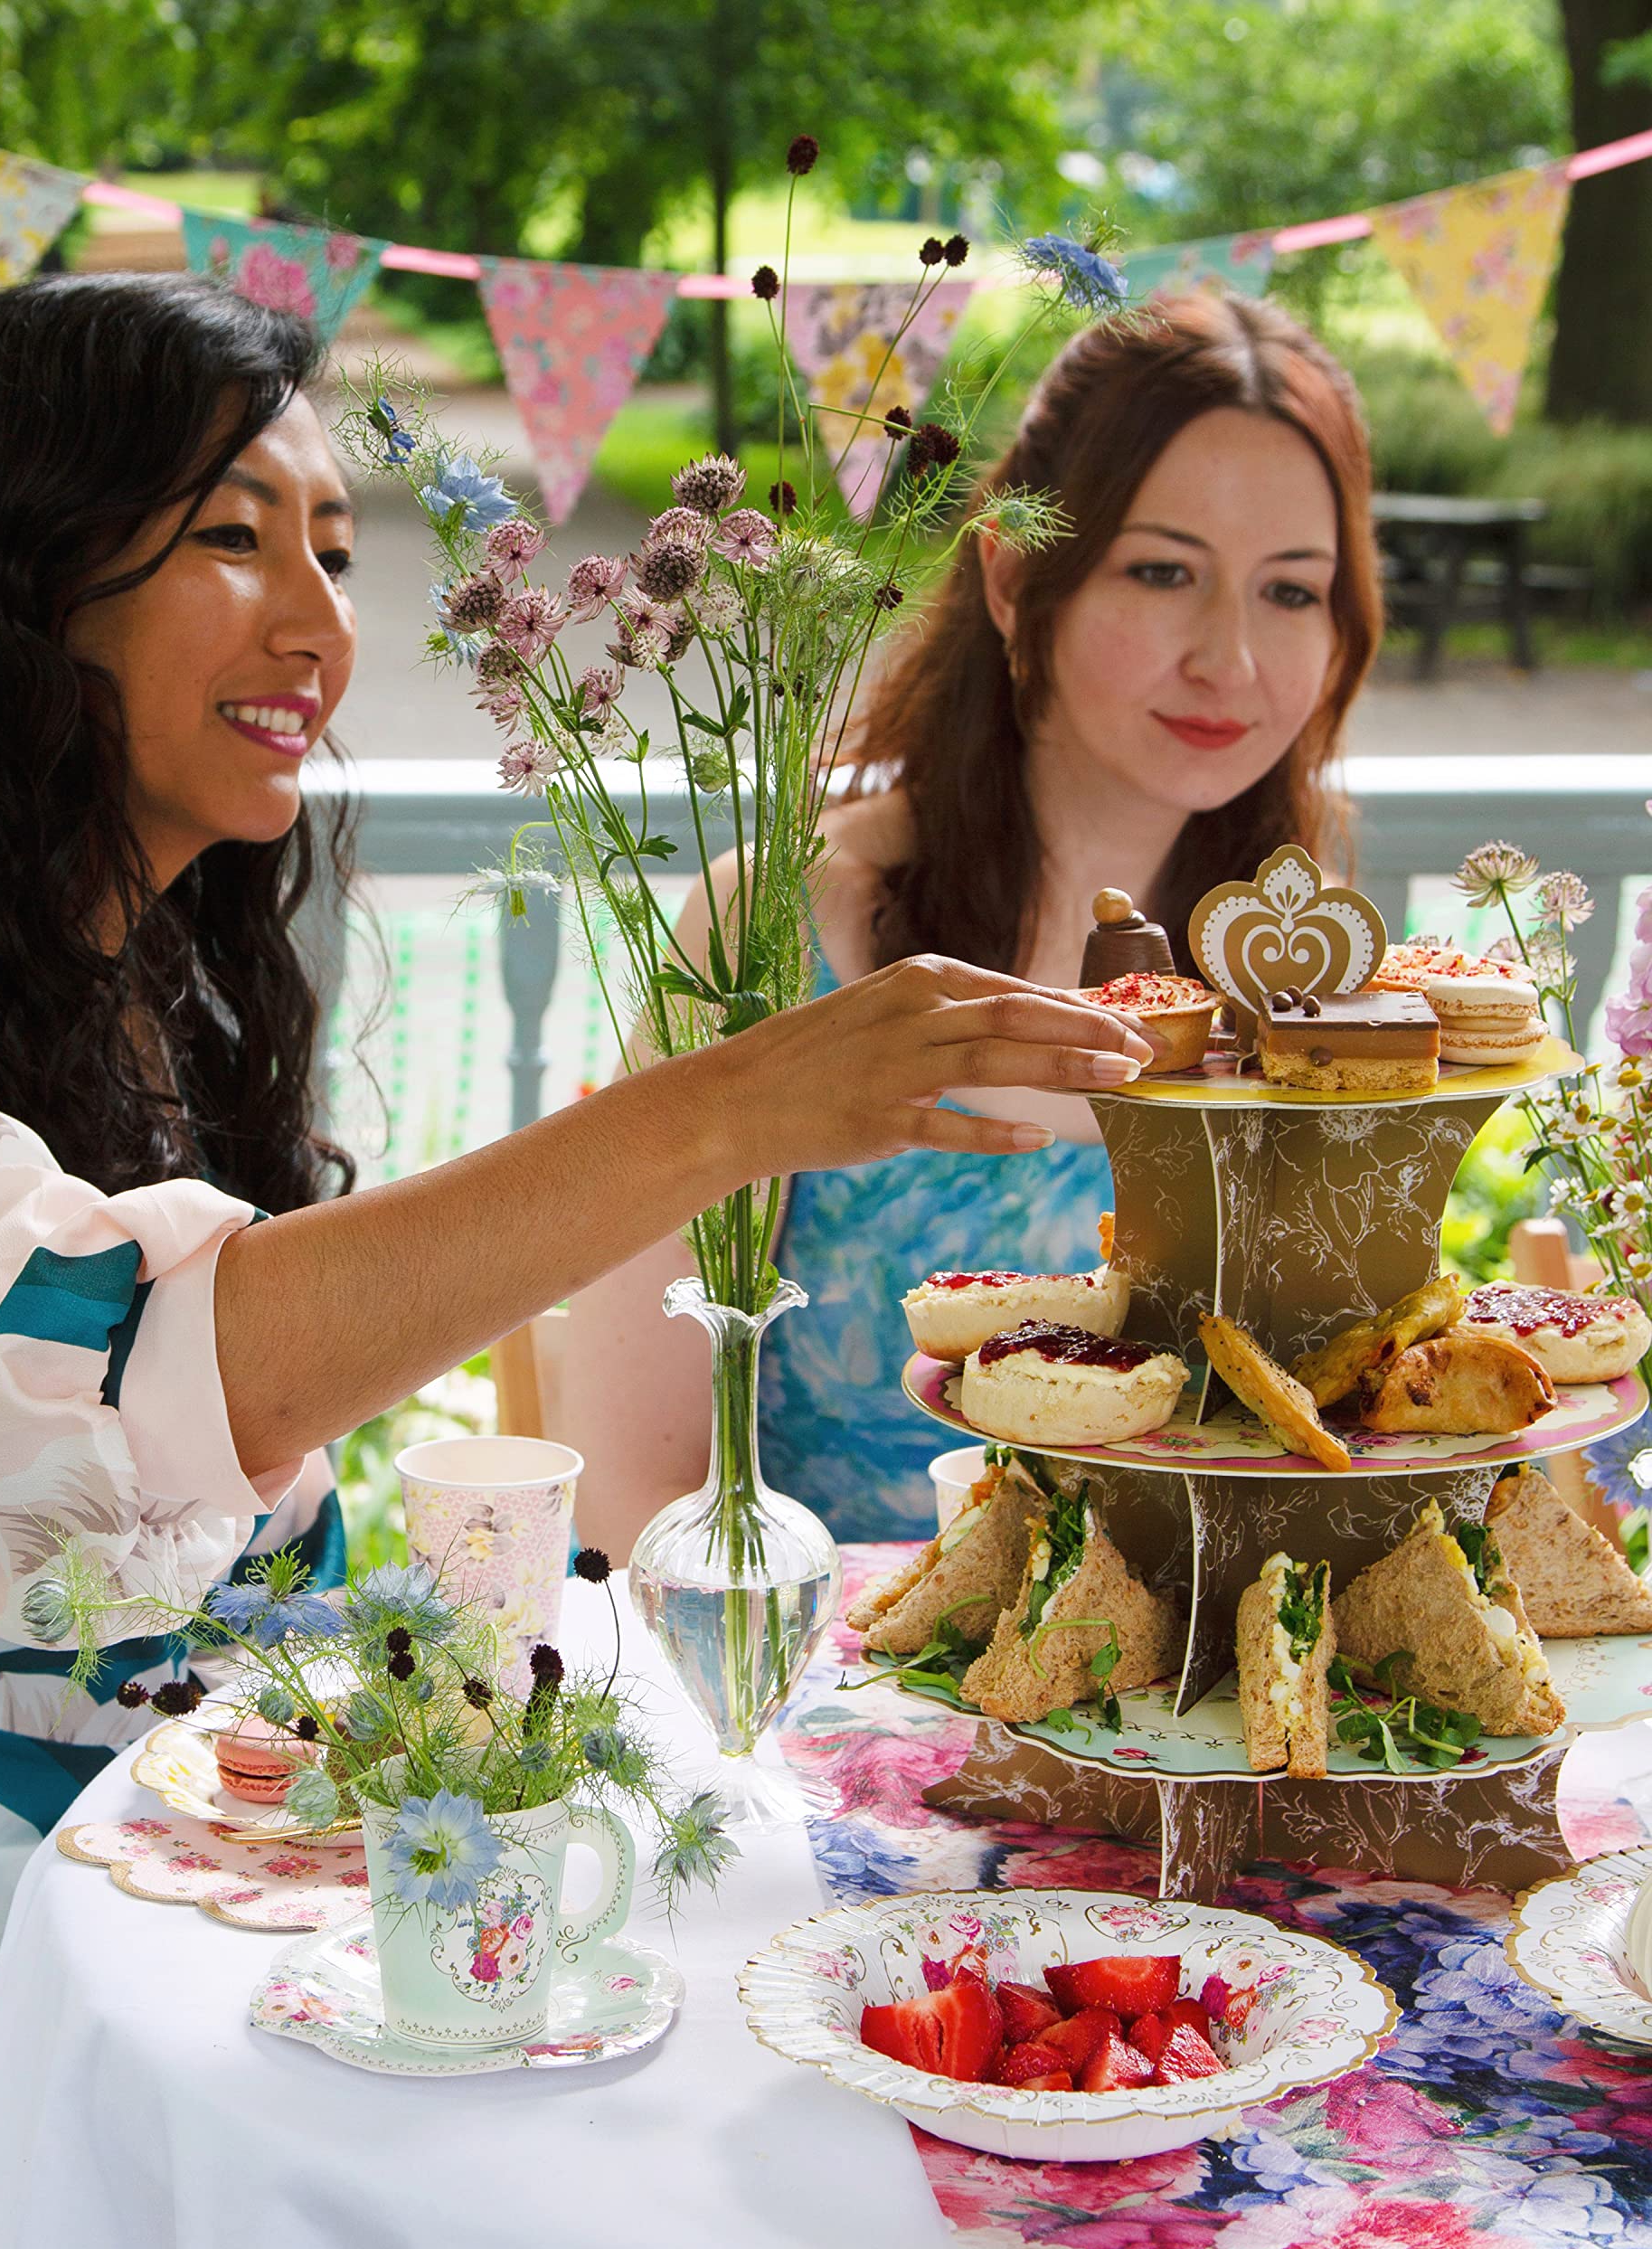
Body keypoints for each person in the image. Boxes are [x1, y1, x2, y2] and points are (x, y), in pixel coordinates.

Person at [0, 271, 1147, 2249]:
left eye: (334, 546)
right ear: (18, 577)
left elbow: (236, 1534)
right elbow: (48, 1430)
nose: (324, 623)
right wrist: (712, 1117)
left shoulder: (149, 1003)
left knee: (665, 2086)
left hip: (130, 1922)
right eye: (231, 536)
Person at [570, 293, 1382, 1554]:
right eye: (1162, 572)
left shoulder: (1299, 933)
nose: (1233, 659)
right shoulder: (781, 923)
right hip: (824, 1701)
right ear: (1012, 578)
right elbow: (633, 1492)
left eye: (1292, 591)